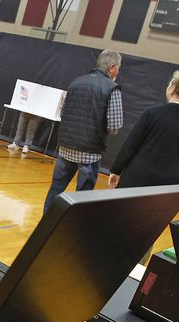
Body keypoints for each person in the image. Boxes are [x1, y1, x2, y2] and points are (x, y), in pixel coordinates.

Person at [43, 50, 123, 213]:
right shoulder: (112, 88)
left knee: (56, 189)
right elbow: (114, 126)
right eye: (119, 68)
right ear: (113, 68)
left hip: (65, 147)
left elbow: (63, 113)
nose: (118, 72)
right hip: (90, 152)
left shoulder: (76, 82)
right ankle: (71, 230)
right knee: (82, 197)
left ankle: (46, 222)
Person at [108, 68, 179, 189]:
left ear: (172, 88)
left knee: (127, 208)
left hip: (138, 176)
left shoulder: (153, 113)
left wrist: (116, 170)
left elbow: (131, 145)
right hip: (170, 181)